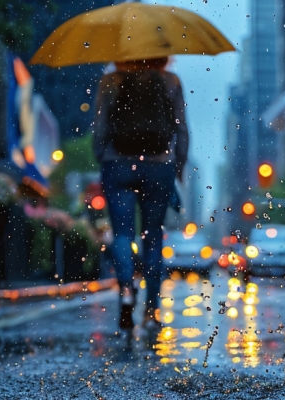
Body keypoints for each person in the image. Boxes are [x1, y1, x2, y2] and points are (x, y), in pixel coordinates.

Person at [92, 57, 188, 333]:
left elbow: (100, 125)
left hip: (117, 163)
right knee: (152, 236)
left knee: (122, 233)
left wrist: (102, 156)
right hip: (158, 165)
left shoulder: (110, 80)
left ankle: (126, 289)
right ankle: (151, 309)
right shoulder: (171, 81)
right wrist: (178, 165)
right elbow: (181, 128)